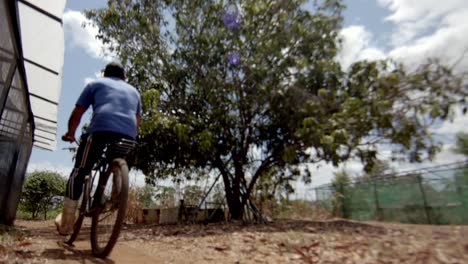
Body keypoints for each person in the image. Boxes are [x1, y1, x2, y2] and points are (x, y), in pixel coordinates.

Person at [55, 62, 142, 235]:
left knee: (80, 171)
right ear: (124, 77)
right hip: (128, 135)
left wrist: (70, 133)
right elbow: (137, 119)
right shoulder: (134, 92)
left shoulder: (95, 84)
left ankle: (66, 223)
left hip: (99, 132)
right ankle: (107, 194)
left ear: (104, 74)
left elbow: (78, 112)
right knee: (114, 159)